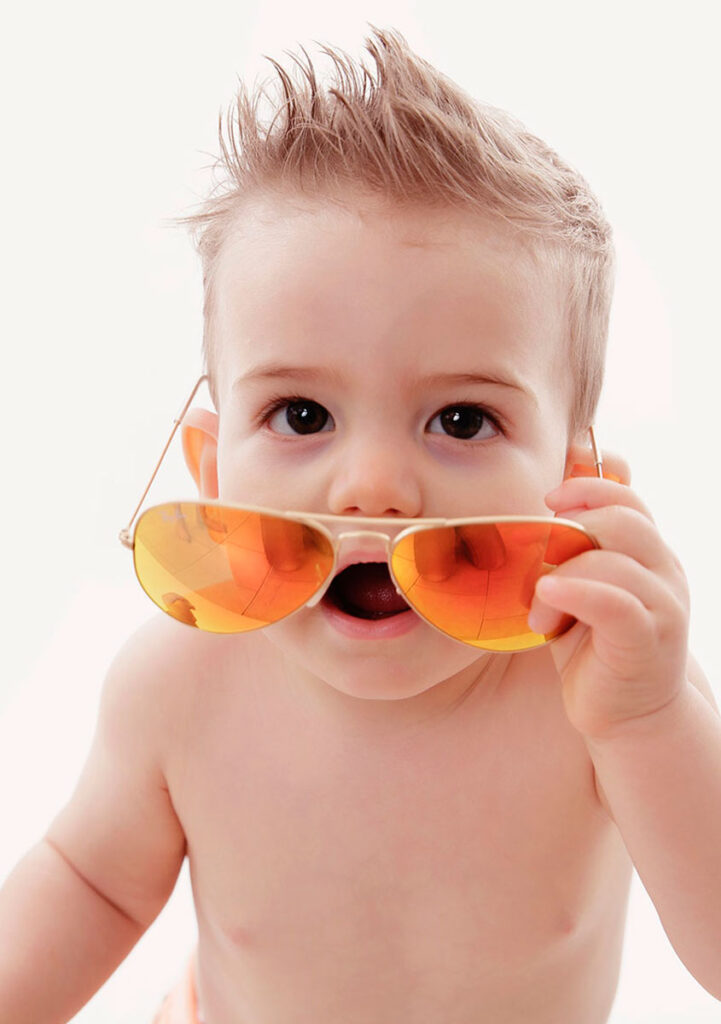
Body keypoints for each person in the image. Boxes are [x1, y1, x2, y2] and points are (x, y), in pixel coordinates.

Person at [1, 27, 719, 1024]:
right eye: (301, 415)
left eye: (460, 420)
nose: (373, 487)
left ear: (574, 483)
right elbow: (94, 884)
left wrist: (646, 722)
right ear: (211, 471)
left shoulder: (605, 695)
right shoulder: (180, 685)